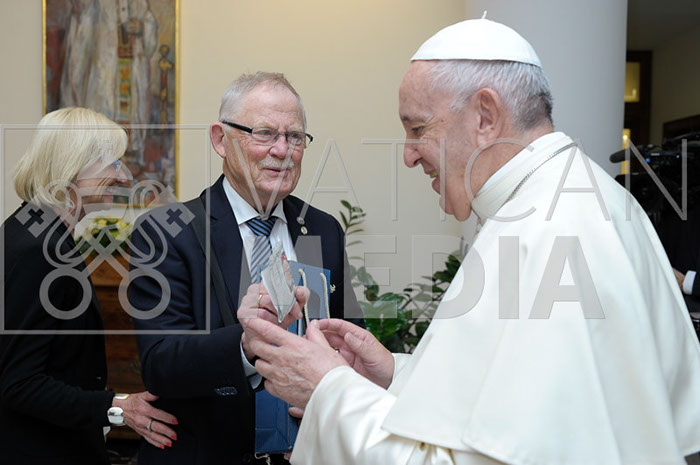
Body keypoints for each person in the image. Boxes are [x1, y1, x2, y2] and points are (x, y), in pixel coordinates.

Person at [243, 18, 700, 465]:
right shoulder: (587, 197)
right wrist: (395, 374)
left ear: (485, 116)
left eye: (418, 128)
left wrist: (328, 389)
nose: (407, 155)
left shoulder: (545, 232)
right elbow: (491, 403)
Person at [128, 72, 363, 465]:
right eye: (264, 133)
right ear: (221, 139)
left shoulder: (322, 230)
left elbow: (349, 336)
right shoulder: (167, 232)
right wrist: (247, 343)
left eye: (294, 137)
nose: (282, 150)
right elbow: (161, 363)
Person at [0, 107, 178, 465]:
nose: (125, 177)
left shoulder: (35, 229)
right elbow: (18, 383)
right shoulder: (38, 248)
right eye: (114, 164)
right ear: (74, 166)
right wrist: (117, 408)